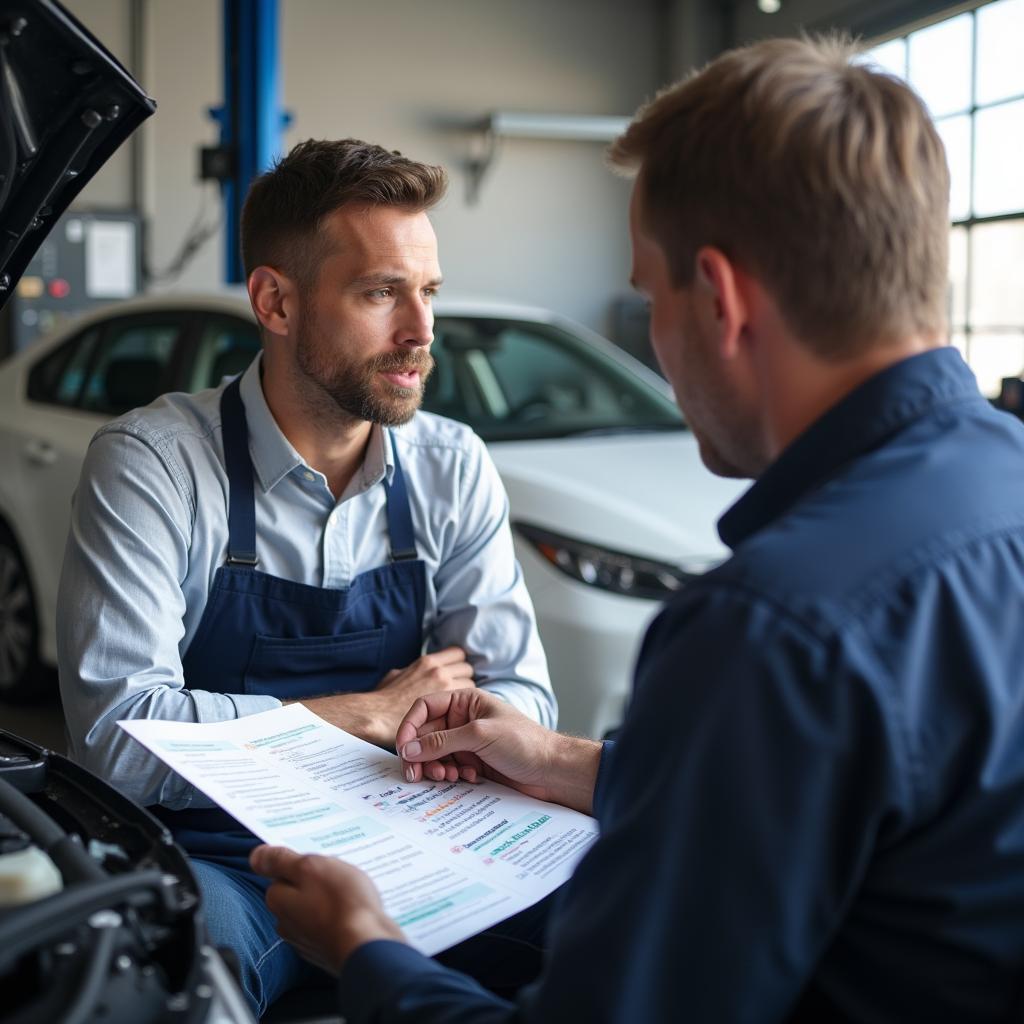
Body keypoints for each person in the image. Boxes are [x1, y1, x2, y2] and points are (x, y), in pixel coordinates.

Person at [249, 36, 1024, 1023]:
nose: (655, 335)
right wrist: (572, 761)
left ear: (721, 299)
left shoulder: (768, 629)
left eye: (649, 298)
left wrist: (365, 950)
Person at [56, 138, 556, 1016]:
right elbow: (122, 738)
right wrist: (367, 713)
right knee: (175, 974)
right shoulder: (153, 464)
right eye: (380, 293)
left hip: (422, 842)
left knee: (631, 922)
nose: (422, 332)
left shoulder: (452, 466)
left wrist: (451, 726)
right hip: (228, 864)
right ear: (275, 301)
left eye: (428, 292)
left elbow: (524, 699)